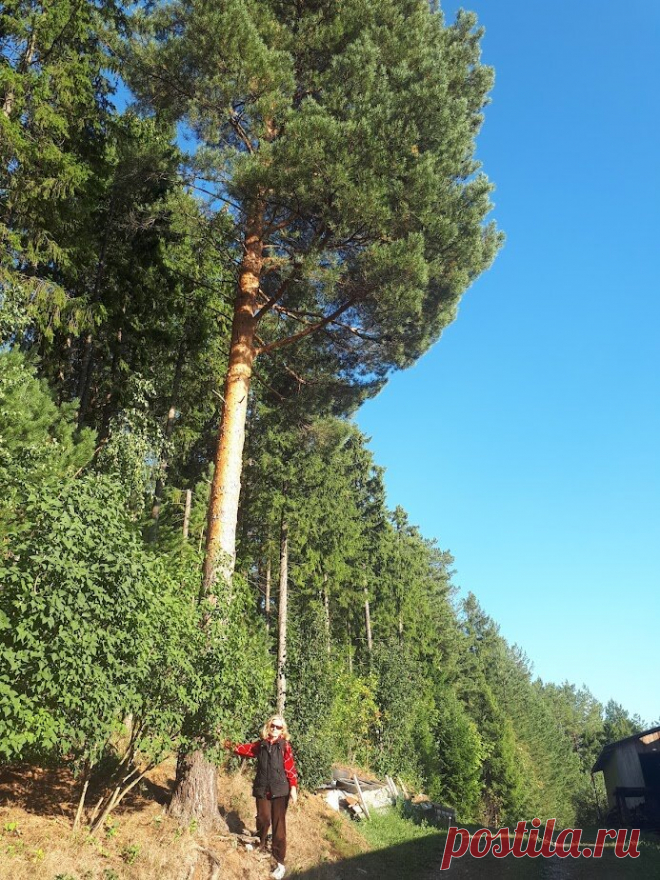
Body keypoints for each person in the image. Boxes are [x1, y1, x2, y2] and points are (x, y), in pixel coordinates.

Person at [224, 715, 298, 880]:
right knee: (263, 819)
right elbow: (244, 749)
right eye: (273, 725)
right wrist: (226, 743)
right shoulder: (261, 745)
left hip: (280, 791)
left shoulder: (284, 746)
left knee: (279, 828)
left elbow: (290, 767)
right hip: (263, 789)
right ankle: (261, 843)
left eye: (278, 727)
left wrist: (293, 788)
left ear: (282, 730)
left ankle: (279, 863)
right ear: (268, 726)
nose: (275, 729)